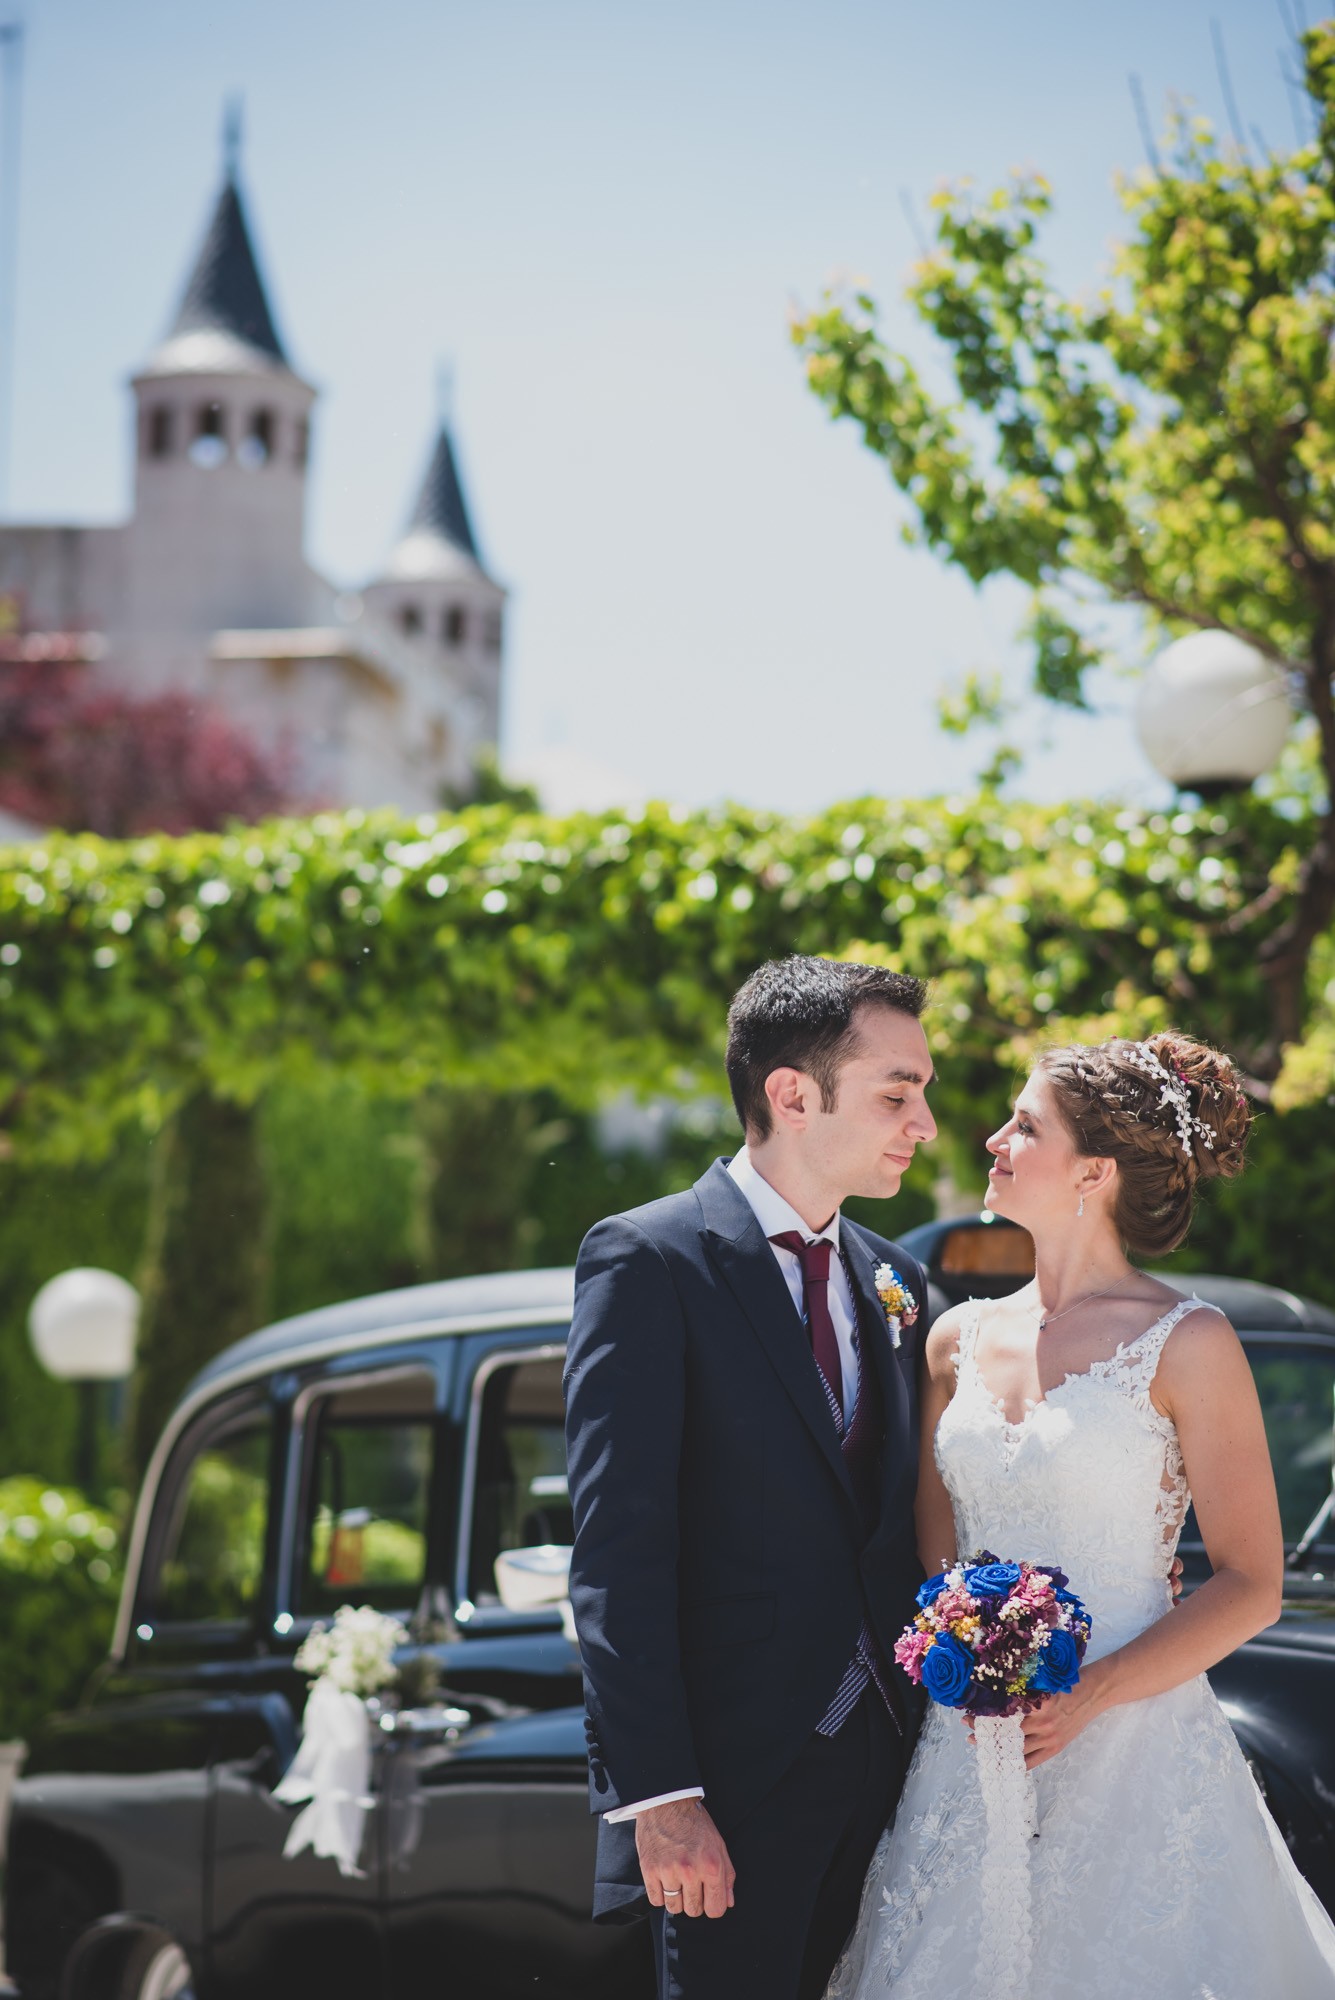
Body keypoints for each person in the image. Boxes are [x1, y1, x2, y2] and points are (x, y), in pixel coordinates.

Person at [829, 1031, 1335, 1999]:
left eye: (1024, 1123)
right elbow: (939, 1559)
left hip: (1136, 1743)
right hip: (971, 1746)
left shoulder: (1189, 1341)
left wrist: (1093, 1691)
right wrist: (965, 1655)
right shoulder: (955, 1339)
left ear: (1093, 1170)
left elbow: (1252, 1581)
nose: (993, 1136)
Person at [563, 955, 938, 2000]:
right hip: (728, 1794)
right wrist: (663, 1799)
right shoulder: (648, 1260)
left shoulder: (897, 1279)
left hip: (897, 1770)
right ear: (791, 1094)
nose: (924, 1122)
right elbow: (618, 1547)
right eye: (896, 1092)